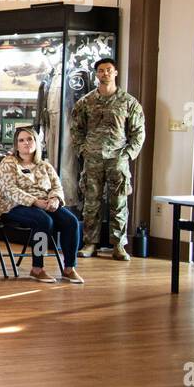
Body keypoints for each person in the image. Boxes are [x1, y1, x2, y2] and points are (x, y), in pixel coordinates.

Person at [71, 58, 146, 260]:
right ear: (96, 74)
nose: (105, 74)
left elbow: (138, 133)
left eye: (109, 70)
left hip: (117, 158)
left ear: (115, 73)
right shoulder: (85, 102)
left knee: (119, 202)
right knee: (91, 203)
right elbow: (76, 129)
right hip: (92, 158)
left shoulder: (129, 102)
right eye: (101, 71)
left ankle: (118, 245)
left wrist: (128, 154)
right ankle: (89, 243)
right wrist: (82, 150)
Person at [0, 127, 84, 284]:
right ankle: (37, 269)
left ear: (36, 142)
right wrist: (34, 202)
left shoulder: (45, 165)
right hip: (13, 205)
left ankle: (69, 268)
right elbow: (9, 189)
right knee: (43, 221)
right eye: (21, 140)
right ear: (16, 145)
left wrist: (55, 199)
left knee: (71, 221)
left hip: (44, 204)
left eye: (30, 139)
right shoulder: (8, 163)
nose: (26, 143)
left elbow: (57, 186)